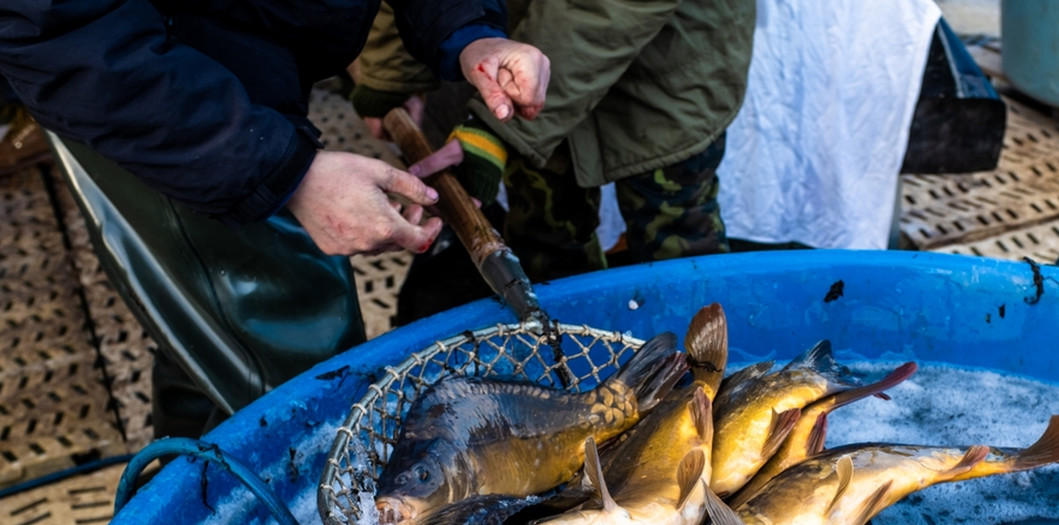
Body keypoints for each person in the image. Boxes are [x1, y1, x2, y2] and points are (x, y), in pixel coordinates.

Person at [0, 1, 550, 437]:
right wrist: (288, 172)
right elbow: (54, 28)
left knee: (207, 332)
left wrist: (471, 30)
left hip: (258, 58)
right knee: (304, 360)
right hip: (149, 94)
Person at [349, 0, 754, 315]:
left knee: (679, 248)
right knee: (544, 246)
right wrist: (392, 74)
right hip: (520, 52)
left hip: (667, 67)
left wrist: (498, 124)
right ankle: (572, 381)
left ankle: (706, 390)